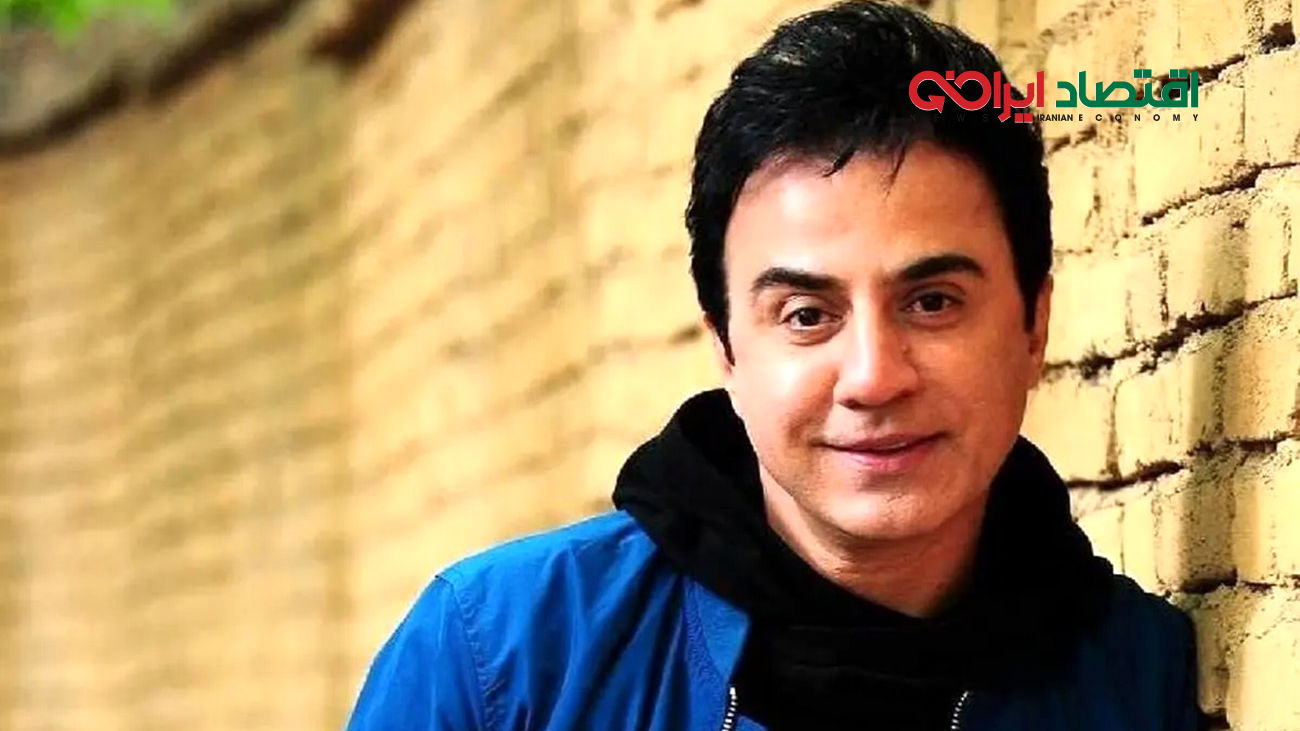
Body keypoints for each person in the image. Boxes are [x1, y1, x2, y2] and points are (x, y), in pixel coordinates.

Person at [344, 2, 1204, 729]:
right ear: (725, 345)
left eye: (932, 301)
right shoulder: (505, 656)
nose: (872, 376)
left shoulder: (1135, 680)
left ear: (1033, 324)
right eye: (806, 315)